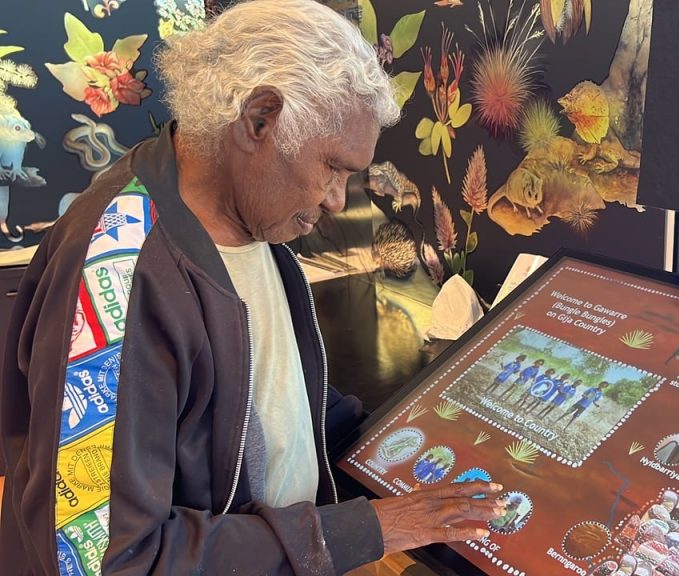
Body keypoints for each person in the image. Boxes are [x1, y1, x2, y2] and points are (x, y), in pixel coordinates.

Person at [0, 2, 502, 575]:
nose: (338, 199)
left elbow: (265, 396)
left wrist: (396, 440)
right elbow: (107, 560)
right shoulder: (120, 276)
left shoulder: (250, 221)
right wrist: (364, 530)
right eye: (333, 168)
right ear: (258, 120)